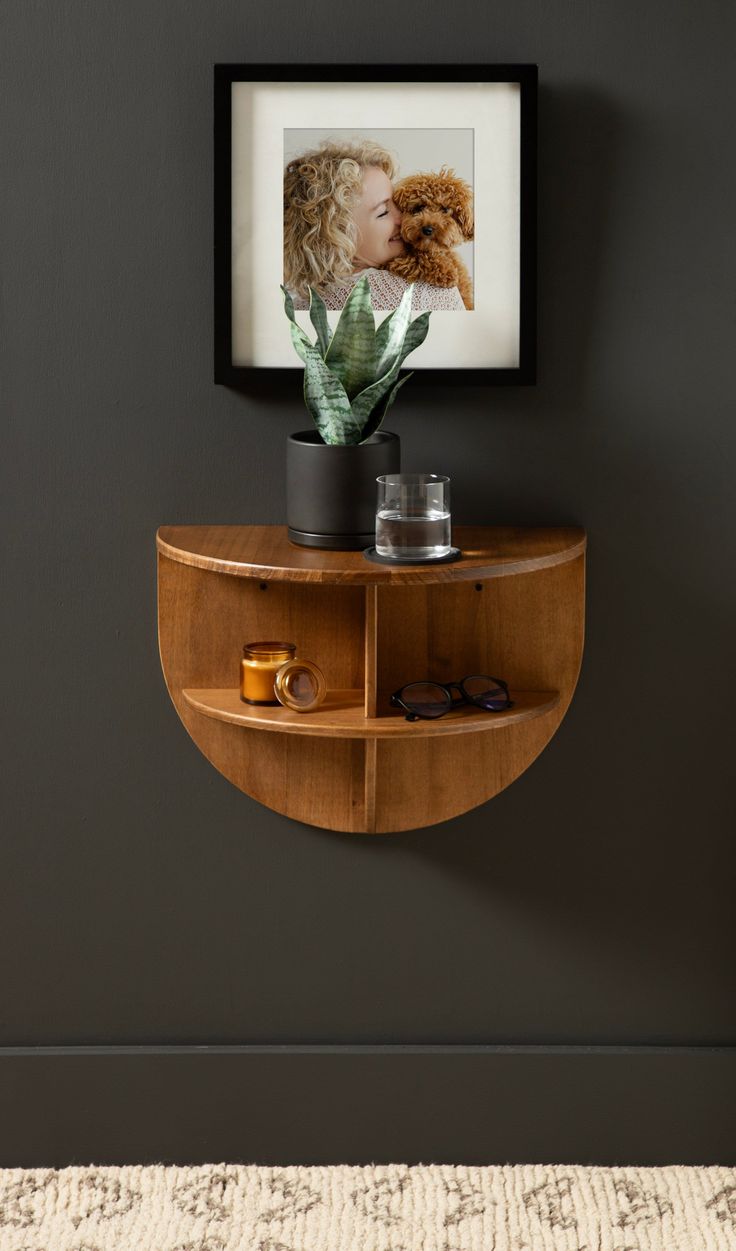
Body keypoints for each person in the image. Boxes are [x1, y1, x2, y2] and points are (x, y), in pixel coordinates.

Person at [283, 139, 465, 312]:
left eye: (398, 204)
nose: (403, 217)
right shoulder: (429, 292)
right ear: (336, 236)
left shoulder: (298, 305)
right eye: (383, 212)